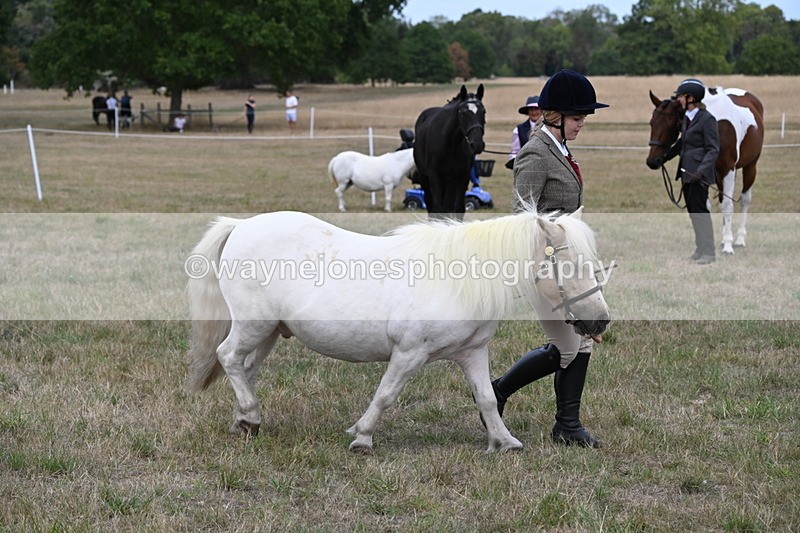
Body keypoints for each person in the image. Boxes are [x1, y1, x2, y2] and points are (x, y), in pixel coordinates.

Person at [491, 69, 608, 448]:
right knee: (573, 345)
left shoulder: (559, 148)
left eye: (584, 119)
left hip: (567, 263)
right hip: (547, 267)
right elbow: (522, 219)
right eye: (577, 118)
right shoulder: (534, 154)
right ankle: (508, 397)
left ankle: (562, 423)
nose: (582, 125)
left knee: (578, 344)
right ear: (554, 116)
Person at [663, 78, 720, 265]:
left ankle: (709, 252)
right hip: (687, 173)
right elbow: (682, 144)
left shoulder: (707, 119)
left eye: (680, 96)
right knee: (693, 212)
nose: (678, 99)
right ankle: (700, 248)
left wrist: (702, 172)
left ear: (691, 98)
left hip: (698, 175)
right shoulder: (688, 118)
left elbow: (713, 149)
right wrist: (664, 157)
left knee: (700, 211)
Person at [506, 95, 542, 169]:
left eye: (536, 109)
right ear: (527, 111)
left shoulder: (550, 128)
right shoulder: (518, 130)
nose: (534, 112)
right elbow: (514, 153)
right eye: (531, 109)